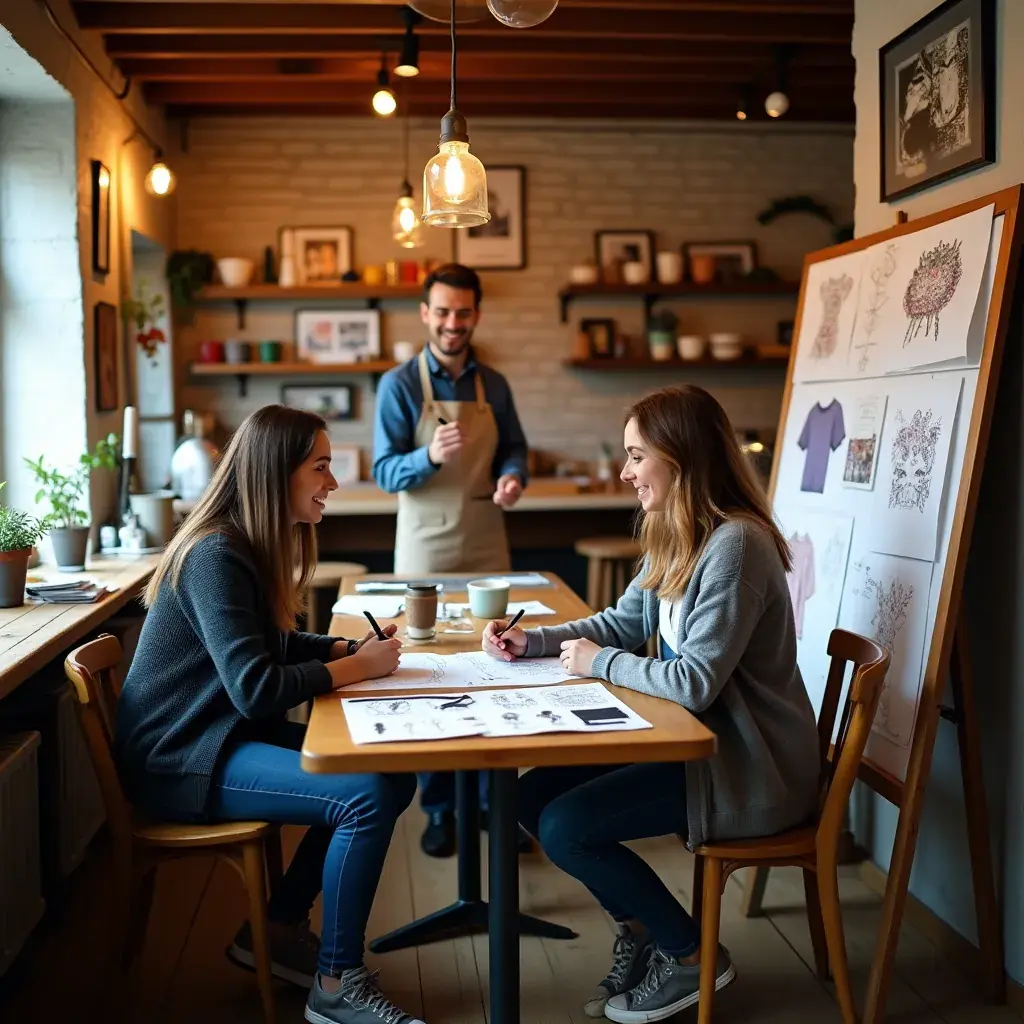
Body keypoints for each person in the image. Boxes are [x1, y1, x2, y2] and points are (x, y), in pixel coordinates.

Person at [481, 385, 821, 1022]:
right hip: (697, 743)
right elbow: (620, 619)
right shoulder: (677, 528)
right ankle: (643, 934)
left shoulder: (735, 544)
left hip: (747, 766)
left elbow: (694, 682)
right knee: (529, 799)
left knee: (565, 826)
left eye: (637, 456)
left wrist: (596, 663)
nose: (625, 471)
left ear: (680, 456)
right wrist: (534, 642)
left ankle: (690, 955)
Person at [115, 405, 423, 1024]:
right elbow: (256, 688)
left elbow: (267, 648)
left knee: (392, 775)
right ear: (274, 473)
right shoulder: (215, 555)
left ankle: (274, 931)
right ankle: (337, 988)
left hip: (217, 739)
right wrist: (356, 669)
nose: (332, 482)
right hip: (184, 758)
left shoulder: (241, 545)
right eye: (321, 467)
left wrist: (341, 650)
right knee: (362, 795)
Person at [372, 262, 530, 858]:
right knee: (433, 674)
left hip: (487, 541)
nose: (452, 323)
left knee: (497, 664)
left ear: (476, 315)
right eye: (442, 311)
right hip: (425, 547)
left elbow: (514, 446)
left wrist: (513, 476)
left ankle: (495, 805)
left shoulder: (496, 384)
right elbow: (386, 471)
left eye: (463, 312)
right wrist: (427, 455)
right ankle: (440, 810)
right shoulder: (399, 386)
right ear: (424, 313)